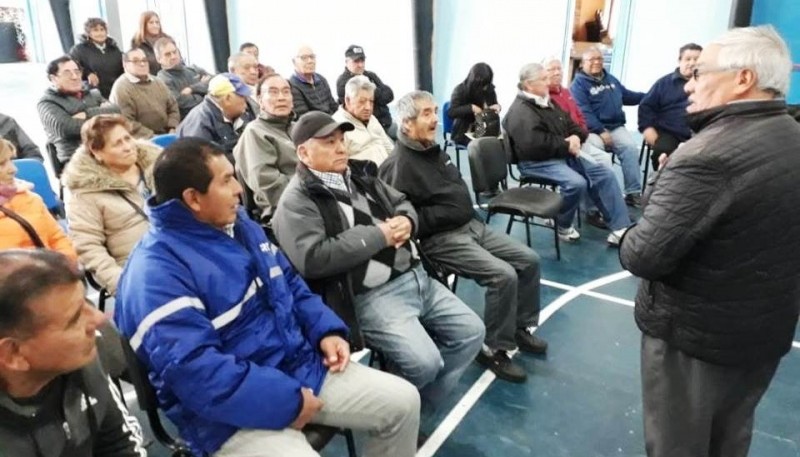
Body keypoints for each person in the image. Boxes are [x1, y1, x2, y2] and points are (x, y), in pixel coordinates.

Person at [114, 137, 420, 457]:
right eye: (227, 180)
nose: (238, 189)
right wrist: (290, 401)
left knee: (404, 402)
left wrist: (325, 330)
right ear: (193, 198)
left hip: (296, 366)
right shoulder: (154, 275)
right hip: (224, 415)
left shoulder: (239, 224)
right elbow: (200, 376)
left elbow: (289, 283)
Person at [619, 26, 800, 457]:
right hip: (760, 334)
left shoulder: (706, 157)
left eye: (699, 73)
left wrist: (656, 194)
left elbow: (642, 254)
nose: (688, 84)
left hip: (695, 338)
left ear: (743, 79)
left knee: (678, 446)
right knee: (729, 440)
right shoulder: (791, 136)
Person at [273, 111, 484, 407]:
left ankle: (417, 406)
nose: (341, 147)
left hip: (418, 277)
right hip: (372, 295)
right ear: (304, 153)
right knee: (425, 363)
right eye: (329, 142)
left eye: (342, 139)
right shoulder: (297, 200)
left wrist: (408, 220)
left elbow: (401, 202)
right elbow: (313, 258)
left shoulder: (360, 174)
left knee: (472, 332)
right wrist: (379, 235)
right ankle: (403, 408)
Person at [379, 91, 546, 384]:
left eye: (434, 111)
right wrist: (443, 215)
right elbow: (401, 219)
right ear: (406, 124)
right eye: (426, 114)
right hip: (442, 240)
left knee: (529, 260)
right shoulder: (398, 166)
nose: (434, 120)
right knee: (502, 275)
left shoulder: (432, 149)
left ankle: (518, 326)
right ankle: (494, 347)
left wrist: (460, 212)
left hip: (472, 226)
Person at [0, 249, 146, 457]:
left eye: (87, 303)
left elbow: (119, 446)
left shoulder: (83, 359)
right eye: (75, 318)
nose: (98, 319)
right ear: (13, 354)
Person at [504, 63, 631, 245]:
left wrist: (576, 137)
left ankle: (621, 227)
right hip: (536, 162)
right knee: (577, 183)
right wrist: (567, 144)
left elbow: (572, 125)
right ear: (529, 85)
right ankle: (561, 225)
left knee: (604, 173)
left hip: (560, 155)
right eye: (544, 79)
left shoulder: (547, 101)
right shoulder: (521, 111)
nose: (549, 82)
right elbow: (534, 145)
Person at [62, 115, 157, 295]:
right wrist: (123, 283)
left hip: (181, 248)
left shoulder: (158, 164)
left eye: (128, 138)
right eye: (117, 144)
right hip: (139, 267)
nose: (128, 147)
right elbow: (88, 247)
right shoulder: (84, 191)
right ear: (97, 152)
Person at [542, 56, 613, 229]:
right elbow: (555, 130)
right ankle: (592, 210)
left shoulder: (565, 92)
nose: (557, 72)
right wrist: (575, 138)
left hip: (579, 139)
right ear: (542, 73)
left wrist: (581, 134)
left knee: (604, 161)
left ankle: (602, 207)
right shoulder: (544, 97)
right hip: (565, 146)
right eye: (552, 69)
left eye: (559, 68)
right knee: (596, 165)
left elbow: (580, 117)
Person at [571, 47, 645, 206]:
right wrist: (601, 131)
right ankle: (601, 198)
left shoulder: (609, 78)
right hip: (592, 130)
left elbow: (626, 95)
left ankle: (633, 193)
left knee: (630, 148)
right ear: (583, 63)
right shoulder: (578, 85)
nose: (597, 62)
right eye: (592, 60)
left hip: (615, 126)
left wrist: (647, 96)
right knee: (598, 154)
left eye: (599, 59)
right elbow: (584, 112)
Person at [233, 74, 297, 222]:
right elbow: (268, 185)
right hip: (282, 211)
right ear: (260, 101)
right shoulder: (255, 132)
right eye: (273, 92)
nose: (281, 97)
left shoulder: (298, 128)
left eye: (286, 91)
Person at [0, 139, 76, 258]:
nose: (13, 169)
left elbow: (58, 239)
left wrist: (67, 269)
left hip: (56, 272)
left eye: (11, 160)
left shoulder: (31, 199)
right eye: (1, 164)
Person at [37, 56, 120, 164]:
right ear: (53, 78)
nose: (75, 76)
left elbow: (116, 111)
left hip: (107, 151)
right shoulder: (47, 102)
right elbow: (67, 128)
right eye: (67, 73)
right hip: (75, 159)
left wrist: (87, 113)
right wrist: (102, 116)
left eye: (77, 71)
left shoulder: (93, 93)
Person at [638, 43, 702, 170]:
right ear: (679, 61)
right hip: (669, 132)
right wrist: (647, 129)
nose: (692, 63)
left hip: (698, 132)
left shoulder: (708, 83)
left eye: (697, 59)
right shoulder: (664, 83)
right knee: (663, 152)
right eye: (688, 59)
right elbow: (646, 107)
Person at [177, 73, 257, 163]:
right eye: (243, 97)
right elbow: (203, 163)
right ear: (228, 99)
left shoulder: (235, 113)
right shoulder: (200, 122)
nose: (246, 103)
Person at [109, 47, 179, 137]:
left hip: (168, 133)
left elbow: (173, 106)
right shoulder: (121, 88)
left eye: (144, 60)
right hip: (141, 140)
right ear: (125, 64)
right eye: (136, 61)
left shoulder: (158, 82)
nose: (142, 64)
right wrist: (153, 137)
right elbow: (127, 122)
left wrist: (172, 127)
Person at [332, 75, 394, 165]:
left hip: (387, 172)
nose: (368, 107)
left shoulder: (372, 119)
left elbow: (388, 147)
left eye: (371, 101)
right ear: (347, 100)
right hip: (365, 177)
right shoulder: (338, 127)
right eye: (362, 101)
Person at [335, 45, 394, 131]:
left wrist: (376, 94)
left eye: (362, 60)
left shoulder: (370, 75)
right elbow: (356, 108)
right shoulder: (343, 82)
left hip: (386, 122)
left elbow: (389, 95)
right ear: (347, 62)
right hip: (368, 127)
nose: (360, 65)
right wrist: (377, 92)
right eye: (356, 61)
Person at [156, 36, 211, 119]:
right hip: (188, 121)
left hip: (209, 114)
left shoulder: (193, 69)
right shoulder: (162, 79)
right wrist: (206, 94)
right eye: (167, 54)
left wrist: (192, 89)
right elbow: (180, 102)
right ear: (159, 59)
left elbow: (216, 81)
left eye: (175, 52)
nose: (173, 56)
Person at [69, 17, 124, 99]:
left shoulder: (114, 49)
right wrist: (87, 73)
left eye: (102, 29)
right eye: (95, 30)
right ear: (88, 33)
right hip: (92, 94)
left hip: (115, 92)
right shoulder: (79, 50)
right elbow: (71, 67)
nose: (100, 33)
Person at [447, 62, 501, 146]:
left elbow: (493, 105)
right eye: (483, 84)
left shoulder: (489, 88)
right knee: (484, 146)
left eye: (487, 84)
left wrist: (496, 107)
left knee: (502, 143)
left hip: (486, 128)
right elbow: (451, 112)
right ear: (475, 81)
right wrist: (470, 108)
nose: (485, 87)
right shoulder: (460, 90)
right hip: (464, 130)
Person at [289, 45, 338, 116]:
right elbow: (305, 117)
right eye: (304, 58)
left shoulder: (321, 79)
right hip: (314, 124)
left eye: (312, 57)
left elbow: (333, 106)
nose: (310, 61)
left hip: (332, 122)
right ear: (294, 62)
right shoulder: (292, 85)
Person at [130, 10, 168, 75]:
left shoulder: (167, 39)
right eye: (151, 23)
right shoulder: (137, 43)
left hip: (168, 78)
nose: (155, 25)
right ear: (144, 25)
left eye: (157, 22)